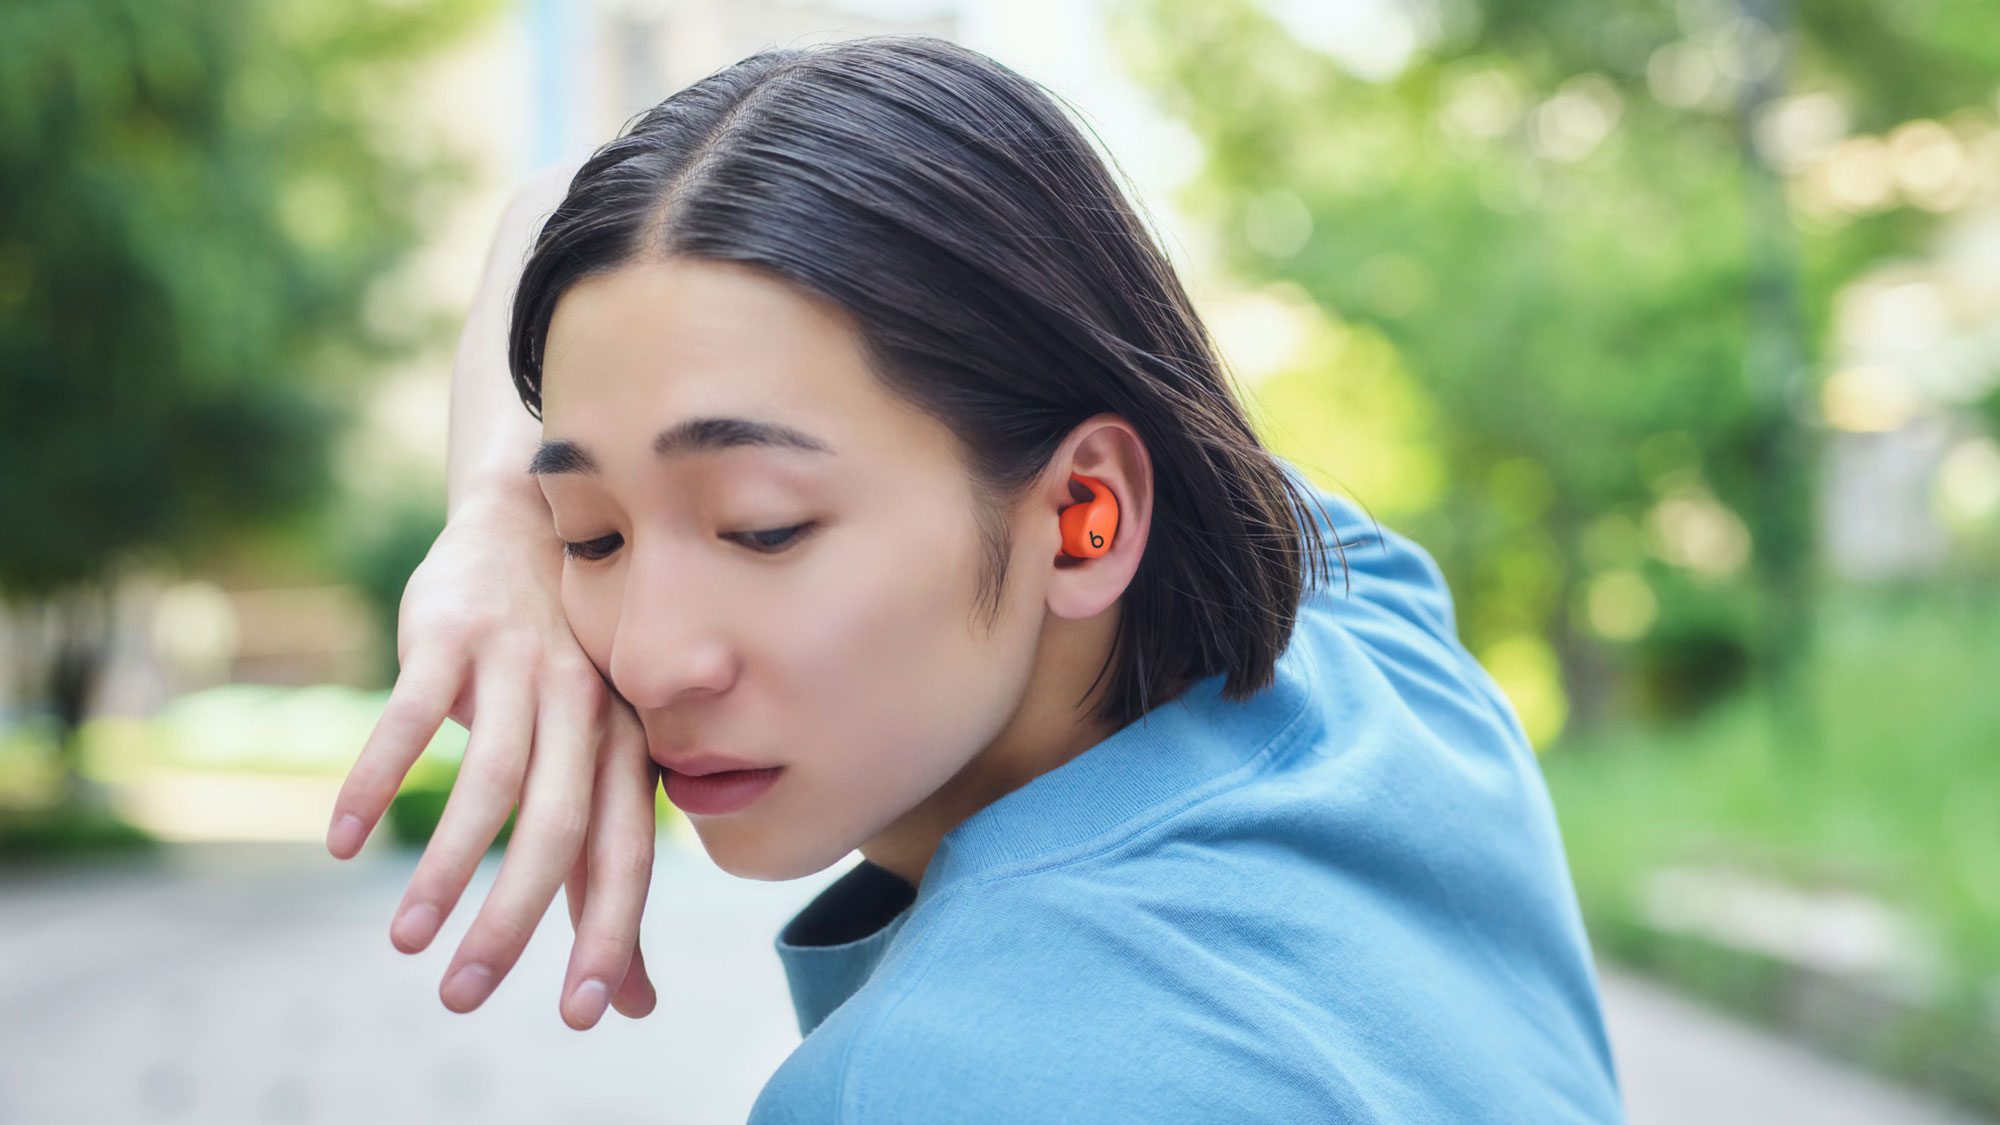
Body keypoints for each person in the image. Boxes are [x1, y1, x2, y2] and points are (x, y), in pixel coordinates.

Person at [327, 34, 1627, 1123]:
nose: (651, 656)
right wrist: (502, 517)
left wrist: (511, 494)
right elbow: (568, 203)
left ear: (1084, 515)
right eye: (593, 537)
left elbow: (550, 196)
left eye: (763, 526)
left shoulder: (923, 1084)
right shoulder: (1376, 639)